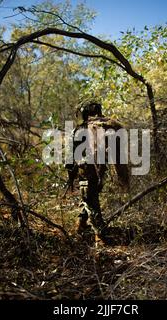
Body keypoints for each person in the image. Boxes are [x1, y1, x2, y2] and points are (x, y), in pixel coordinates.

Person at [65, 102, 129, 245]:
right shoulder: (108, 126)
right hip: (99, 170)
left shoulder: (79, 130)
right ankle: (81, 223)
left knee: (90, 198)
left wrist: (70, 174)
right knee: (90, 197)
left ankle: (99, 235)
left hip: (86, 171)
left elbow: (70, 158)